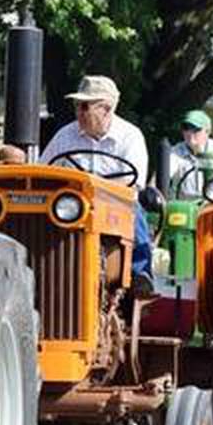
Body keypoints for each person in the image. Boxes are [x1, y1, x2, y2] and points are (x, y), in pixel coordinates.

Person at [39, 75, 154, 293]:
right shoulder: (65, 135)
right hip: (70, 205)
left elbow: (132, 184)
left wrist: (95, 189)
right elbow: (43, 169)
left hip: (113, 202)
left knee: (133, 208)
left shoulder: (130, 137)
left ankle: (140, 273)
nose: (78, 112)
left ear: (106, 109)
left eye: (84, 106)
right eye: (76, 106)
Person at [167, 109, 213, 197]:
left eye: (196, 129)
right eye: (186, 127)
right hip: (185, 207)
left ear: (207, 131)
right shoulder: (175, 152)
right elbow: (160, 178)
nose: (190, 133)